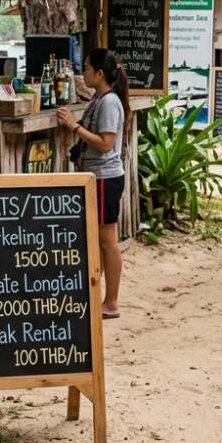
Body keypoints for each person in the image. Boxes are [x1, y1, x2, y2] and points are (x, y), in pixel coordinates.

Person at [58, 48, 129, 319]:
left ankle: (111, 302)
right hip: (97, 176)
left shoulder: (109, 102)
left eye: (86, 68)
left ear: (100, 73)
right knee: (100, 240)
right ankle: (100, 297)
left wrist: (73, 127)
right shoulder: (98, 98)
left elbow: (105, 143)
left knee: (108, 239)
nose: (83, 72)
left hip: (104, 177)